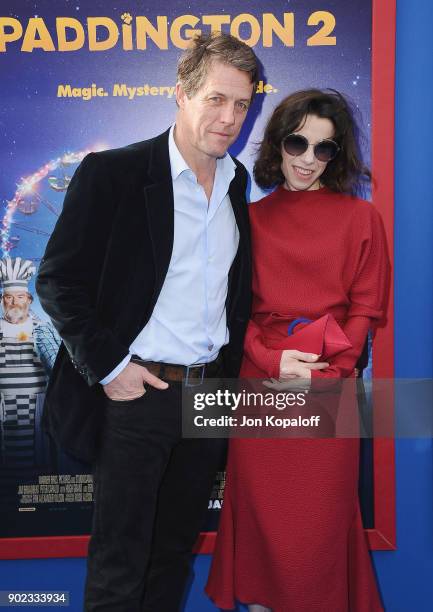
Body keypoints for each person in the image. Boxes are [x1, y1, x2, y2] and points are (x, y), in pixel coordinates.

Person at [36, 32, 262, 612]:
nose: (230, 117)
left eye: (242, 105)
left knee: (173, 557)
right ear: (181, 95)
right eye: (216, 99)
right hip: (139, 392)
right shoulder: (113, 173)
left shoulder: (237, 185)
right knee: (120, 562)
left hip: (209, 396)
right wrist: (112, 368)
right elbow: (59, 282)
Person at [205, 89, 389, 611]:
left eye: (324, 149)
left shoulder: (361, 219)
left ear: (339, 154)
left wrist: (333, 371)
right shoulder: (248, 221)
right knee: (265, 530)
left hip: (328, 395)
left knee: (318, 532)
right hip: (262, 392)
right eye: (298, 142)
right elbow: (227, 315)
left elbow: (366, 307)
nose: (308, 159)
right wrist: (271, 361)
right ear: (279, 143)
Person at [0, 256, 60, 467]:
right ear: (2, 300)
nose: (15, 303)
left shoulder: (44, 329)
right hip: (4, 411)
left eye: (20, 296)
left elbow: (56, 367)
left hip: (38, 410)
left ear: (29, 299)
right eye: (9, 297)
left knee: (38, 465)